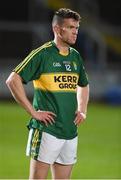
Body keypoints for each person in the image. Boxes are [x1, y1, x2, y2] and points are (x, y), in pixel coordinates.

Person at [6, 8, 89, 179]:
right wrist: (33, 112)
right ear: (57, 30)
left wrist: (82, 109)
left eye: (77, 28)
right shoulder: (42, 54)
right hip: (47, 131)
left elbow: (84, 85)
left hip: (70, 130)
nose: (75, 32)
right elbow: (12, 80)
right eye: (71, 27)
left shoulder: (75, 57)